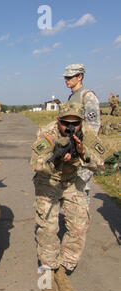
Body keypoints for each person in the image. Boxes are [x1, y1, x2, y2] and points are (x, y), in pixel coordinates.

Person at [31, 102, 104, 291]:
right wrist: (55, 160)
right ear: (58, 120)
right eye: (65, 122)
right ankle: (47, 270)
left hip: (72, 181)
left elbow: (100, 163)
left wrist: (82, 153)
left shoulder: (86, 133)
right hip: (49, 180)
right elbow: (36, 163)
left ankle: (62, 268)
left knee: (79, 226)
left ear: (81, 122)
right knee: (48, 227)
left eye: (75, 123)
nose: (70, 127)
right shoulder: (48, 132)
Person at [64, 64, 100, 208]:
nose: (66, 79)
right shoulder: (73, 96)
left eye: (70, 77)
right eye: (65, 77)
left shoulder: (87, 96)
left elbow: (93, 126)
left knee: (82, 187)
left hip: (82, 150)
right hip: (72, 148)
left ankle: (81, 221)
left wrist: (83, 149)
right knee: (72, 187)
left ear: (80, 77)